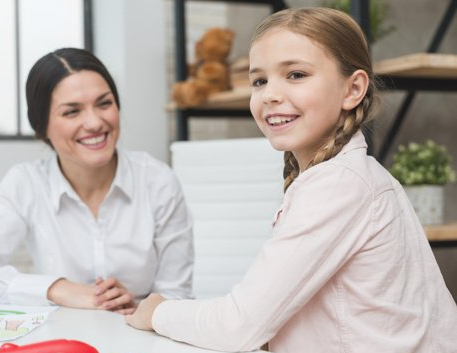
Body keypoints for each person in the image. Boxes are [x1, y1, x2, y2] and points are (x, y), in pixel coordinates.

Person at [126, 7, 457, 352]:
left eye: (296, 74)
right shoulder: (343, 177)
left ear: (352, 89)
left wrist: (157, 312)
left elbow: (237, 327)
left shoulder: (340, 185)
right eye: (260, 80)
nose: (270, 94)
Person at [0, 48, 194, 314]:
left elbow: (177, 297)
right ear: (42, 127)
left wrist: (138, 309)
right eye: (72, 112)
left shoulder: (157, 181)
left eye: (104, 103)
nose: (95, 122)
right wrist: (59, 289)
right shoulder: (26, 183)